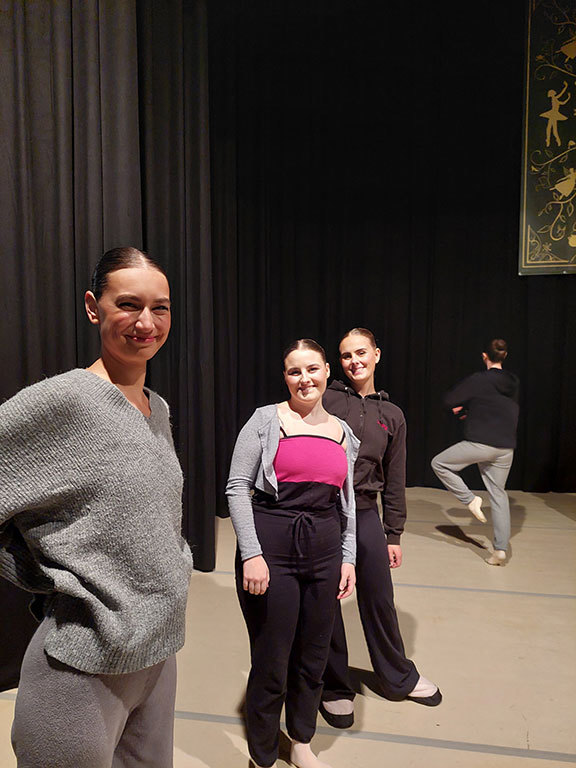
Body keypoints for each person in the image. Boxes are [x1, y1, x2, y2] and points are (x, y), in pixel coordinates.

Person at [0, 247, 193, 767]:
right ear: (93, 307)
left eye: (160, 307)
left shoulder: (157, 407)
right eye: (128, 304)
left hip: (157, 653)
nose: (146, 323)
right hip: (81, 667)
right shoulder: (67, 401)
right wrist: (42, 574)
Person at [226, 339, 359, 768]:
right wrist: (252, 554)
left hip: (324, 550)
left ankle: (301, 740)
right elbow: (237, 487)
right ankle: (263, 754)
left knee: (314, 654)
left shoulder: (344, 433)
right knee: (272, 657)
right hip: (272, 549)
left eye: (312, 369)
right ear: (285, 377)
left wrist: (348, 558)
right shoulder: (266, 420)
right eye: (294, 371)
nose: (305, 379)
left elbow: (347, 503)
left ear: (326, 372)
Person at [319, 327, 441, 730]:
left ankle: (397, 675)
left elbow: (395, 477)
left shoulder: (392, 415)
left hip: (365, 511)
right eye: (346, 355)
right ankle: (334, 686)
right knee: (327, 599)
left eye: (361, 353)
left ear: (376, 355)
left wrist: (394, 533)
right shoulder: (326, 399)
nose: (354, 361)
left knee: (379, 597)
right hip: (324, 510)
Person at [431, 338, 519, 566]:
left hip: (481, 444)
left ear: (484, 356)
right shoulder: (513, 382)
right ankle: (500, 550)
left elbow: (449, 399)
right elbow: (496, 406)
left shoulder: (480, 379)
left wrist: (459, 409)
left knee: (439, 464)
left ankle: (470, 500)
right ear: (505, 356)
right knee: (498, 494)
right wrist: (468, 411)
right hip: (506, 447)